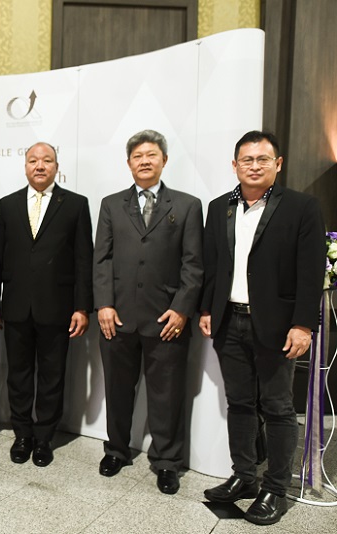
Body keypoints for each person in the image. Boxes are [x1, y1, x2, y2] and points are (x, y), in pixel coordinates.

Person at [199, 131, 325, 525]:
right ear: (235, 165)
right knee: (239, 403)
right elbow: (212, 264)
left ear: (278, 164)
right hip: (228, 320)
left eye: (262, 159)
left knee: (278, 407)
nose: (254, 166)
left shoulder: (302, 207)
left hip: (277, 325)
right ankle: (244, 476)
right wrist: (206, 309)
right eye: (247, 159)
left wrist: (303, 324)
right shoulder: (219, 207)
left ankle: (275, 487)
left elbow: (311, 271)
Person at [93, 130, 203, 494]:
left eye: (151, 155)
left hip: (166, 318)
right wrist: (104, 304)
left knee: (167, 395)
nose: (144, 161)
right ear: (128, 163)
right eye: (137, 156)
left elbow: (193, 264)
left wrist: (182, 309)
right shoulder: (111, 204)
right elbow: (102, 258)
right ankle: (116, 450)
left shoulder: (187, 205)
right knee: (117, 390)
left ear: (164, 161)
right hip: (117, 317)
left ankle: (167, 461)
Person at [0, 142, 93, 467]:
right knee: (18, 375)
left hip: (58, 307)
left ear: (56, 166)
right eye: (33, 160)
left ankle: (44, 438)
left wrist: (82, 307)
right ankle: (22, 435)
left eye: (47, 160)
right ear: (25, 166)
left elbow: (84, 259)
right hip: (15, 307)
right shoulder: (7, 205)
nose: (40, 166)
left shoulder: (76, 204)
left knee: (52, 376)